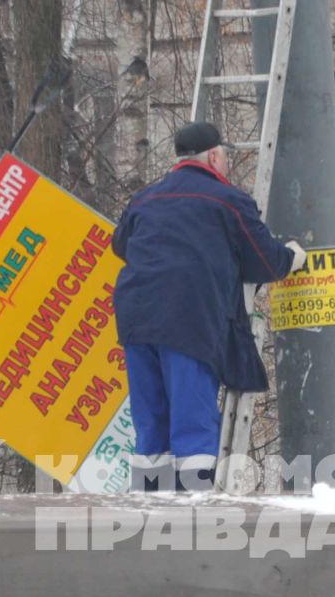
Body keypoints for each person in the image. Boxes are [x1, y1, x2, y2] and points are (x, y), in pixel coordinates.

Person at [111, 121, 308, 492]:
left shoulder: (144, 200)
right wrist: (292, 257)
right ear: (215, 156)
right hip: (189, 321)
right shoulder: (228, 201)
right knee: (192, 424)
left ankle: (149, 511)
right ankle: (193, 515)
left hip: (136, 319)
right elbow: (264, 262)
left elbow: (121, 245)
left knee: (151, 424)